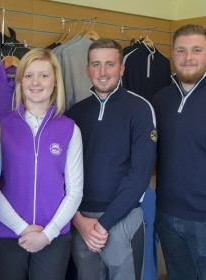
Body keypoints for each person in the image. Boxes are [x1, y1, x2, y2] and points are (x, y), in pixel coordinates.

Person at [0, 48, 83, 280]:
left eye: (44, 75)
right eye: (28, 75)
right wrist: (21, 228)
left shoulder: (70, 129)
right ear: (20, 81)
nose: (35, 82)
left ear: (55, 81)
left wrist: (47, 234)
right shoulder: (0, 126)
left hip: (53, 237)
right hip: (7, 235)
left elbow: (75, 191)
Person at [67, 38, 157, 280]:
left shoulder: (139, 109)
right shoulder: (74, 113)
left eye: (110, 64)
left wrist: (104, 223)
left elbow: (139, 175)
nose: (103, 72)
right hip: (81, 221)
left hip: (123, 218)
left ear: (122, 68)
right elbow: (61, 174)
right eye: (96, 65)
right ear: (87, 69)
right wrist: (79, 221)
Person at [153, 24, 206, 280]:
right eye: (181, 51)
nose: (188, 58)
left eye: (197, 50)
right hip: (166, 215)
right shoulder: (160, 100)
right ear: (172, 54)